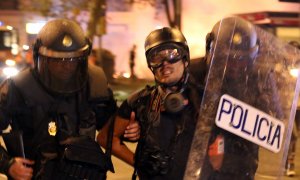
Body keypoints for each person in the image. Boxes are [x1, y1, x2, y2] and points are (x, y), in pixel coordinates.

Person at [0, 18, 139, 179]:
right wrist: (7, 164)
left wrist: (130, 131)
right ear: (41, 57)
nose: (66, 65)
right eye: (58, 60)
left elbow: (110, 130)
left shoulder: (95, 85)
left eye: (72, 59)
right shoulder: (18, 88)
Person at [97, 27, 204, 179]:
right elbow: (105, 138)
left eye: (172, 54)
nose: (165, 63)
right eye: (157, 58)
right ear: (150, 65)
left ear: (185, 60)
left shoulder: (205, 99)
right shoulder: (140, 101)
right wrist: (139, 162)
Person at [199, 17, 283, 180]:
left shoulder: (260, 79)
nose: (235, 65)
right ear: (212, 52)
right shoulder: (197, 73)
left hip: (240, 166)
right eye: (227, 59)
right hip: (199, 163)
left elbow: (273, 121)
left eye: (242, 59)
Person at [285, 40, 300, 177]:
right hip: (289, 107)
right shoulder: (283, 66)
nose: (293, 54)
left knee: (295, 137)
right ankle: (289, 164)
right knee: (292, 136)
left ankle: (287, 163)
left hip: (299, 107)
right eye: (291, 51)